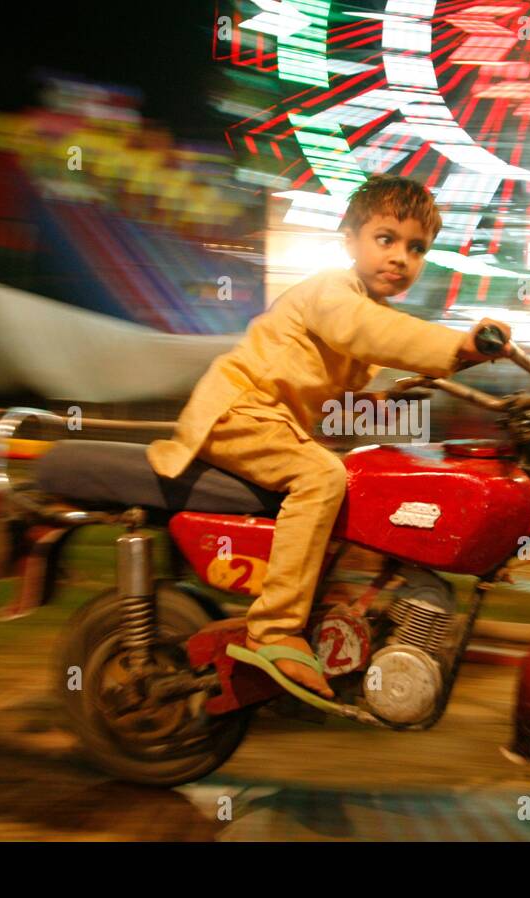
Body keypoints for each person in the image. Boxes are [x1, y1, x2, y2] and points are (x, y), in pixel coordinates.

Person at [147, 174, 511, 698]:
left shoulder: (368, 311)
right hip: (238, 411)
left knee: (368, 475)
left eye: (416, 248)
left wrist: (386, 406)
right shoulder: (333, 292)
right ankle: (273, 630)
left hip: (272, 422)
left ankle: (330, 608)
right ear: (350, 241)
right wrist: (459, 346)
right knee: (321, 476)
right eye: (385, 239)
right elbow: (366, 332)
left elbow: (344, 382)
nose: (400, 258)